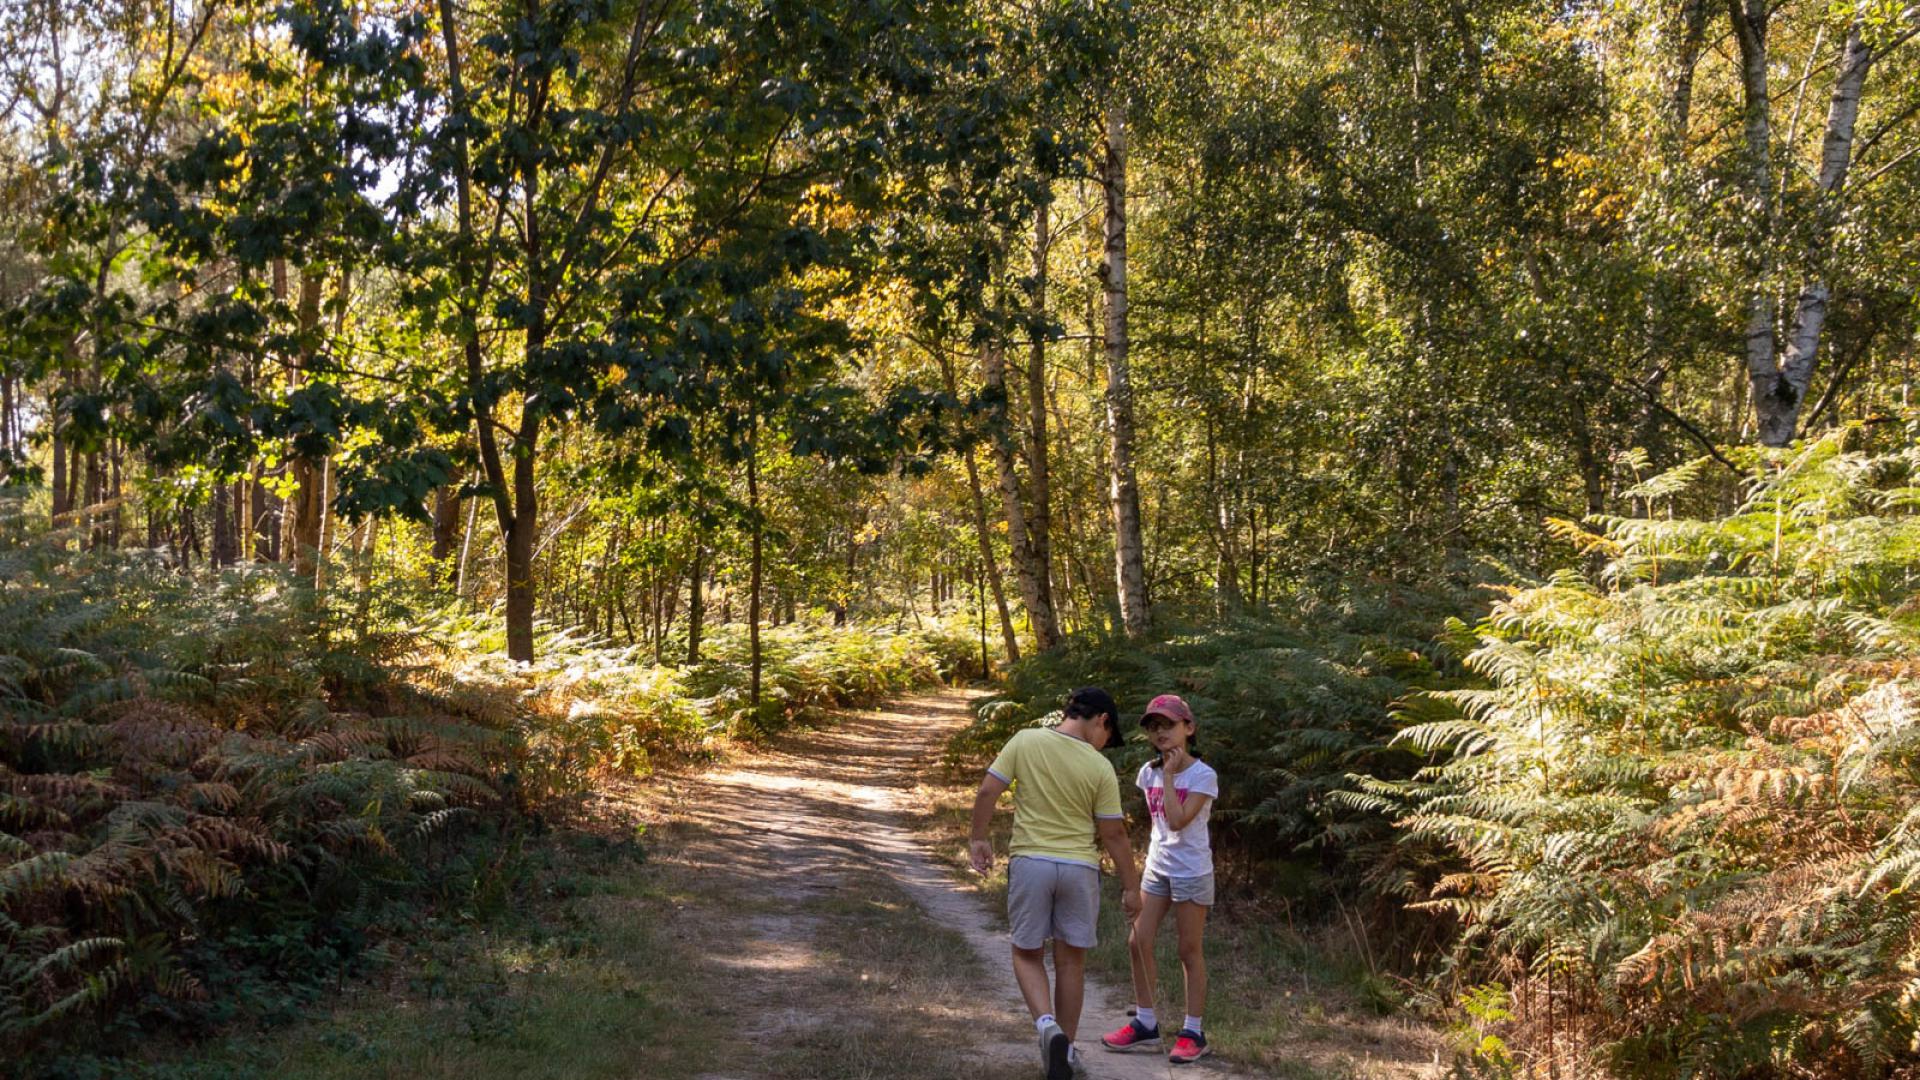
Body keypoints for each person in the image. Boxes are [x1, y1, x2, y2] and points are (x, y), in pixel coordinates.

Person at [969, 686, 1142, 1080]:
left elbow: (987, 791)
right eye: (1108, 737)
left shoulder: (1026, 740)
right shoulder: (1099, 768)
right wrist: (1132, 888)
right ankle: (1065, 1048)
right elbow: (1114, 834)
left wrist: (978, 838)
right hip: (1079, 869)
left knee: (1026, 953)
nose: (1104, 744)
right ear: (1102, 721)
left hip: (1032, 863)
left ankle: (1046, 1027)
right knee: (1071, 963)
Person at [1101, 693, 1218, 1065]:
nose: (1160, 732)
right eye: (1154, 726)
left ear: (1189, 727)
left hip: (1192, 871)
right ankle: (1146, 1023)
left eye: (1168, 724)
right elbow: (1154, 826)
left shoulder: (1203, 775)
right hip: (1159, 867)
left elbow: (1178, 819)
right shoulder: (1147, 772)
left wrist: (1169, 776)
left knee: (1188, 950)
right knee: (1138, 941)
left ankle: (1193, 1032)